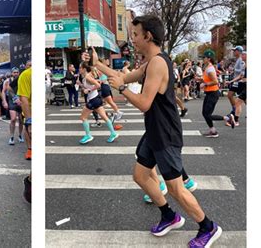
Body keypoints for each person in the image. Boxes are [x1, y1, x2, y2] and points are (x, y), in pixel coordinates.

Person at [85, 15, 222, 247]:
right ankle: (169, 216)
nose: (133, 39)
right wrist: (98, 64)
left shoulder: (158, 63)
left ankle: (208, 227)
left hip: (166, 133)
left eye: (136, 35)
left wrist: (123, 89)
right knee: (140, 175)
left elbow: (144, 103)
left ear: (148, 36)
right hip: (154, 131)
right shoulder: (151, 62)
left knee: (175, 188)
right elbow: (121, 76)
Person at [77, 62, 119, 144]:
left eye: (80, 68)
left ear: (84, 69)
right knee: (104, 117)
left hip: (93, 100)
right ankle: (113, 133)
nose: (79, 69)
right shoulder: (86, 76)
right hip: (96, 99)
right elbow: (92, 85)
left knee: (83, 117)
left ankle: (88, 135)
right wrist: (81, 85)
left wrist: (88, 90)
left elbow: (98, 85)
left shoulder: (88, 77)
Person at [197, 50, 220, 137]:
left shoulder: (210, 68)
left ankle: (227, 118)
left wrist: (205, 84)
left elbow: (215, 81)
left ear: (209, 59)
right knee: (204, 113)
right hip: (210, 93)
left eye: (204, 57)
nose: (203, 59)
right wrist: (200, 80)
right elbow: (208, 79)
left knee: (207, 114)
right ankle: (212, 130)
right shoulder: (207, 67)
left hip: (213, 93)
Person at [17, 64, 31, 202]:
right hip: (30, 114)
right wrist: (30, 120)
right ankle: (29, 148)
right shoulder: (26, 75)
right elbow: (24, 99)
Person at [2, 67, 25, 145]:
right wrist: (4, 101)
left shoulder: (22, 79)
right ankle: (11, 137)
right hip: (12, 101)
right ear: (11, 73)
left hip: (21, 101)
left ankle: (20, 135)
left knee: (21, 120)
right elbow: (3, 92)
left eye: (17, 72)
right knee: (13, 119)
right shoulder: (7, 81)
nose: (15, 73)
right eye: (14, 72)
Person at [224, 45, 245, 126]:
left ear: (239, 51)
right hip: (236, 81)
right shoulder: (238, 59)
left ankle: (234, 112)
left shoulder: (241, 59)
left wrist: (233, 69)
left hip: (240, 82)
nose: (233, 52)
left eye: (235, 50)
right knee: (231, 96)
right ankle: (234, 111)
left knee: (239, 99)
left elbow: (242, 71)